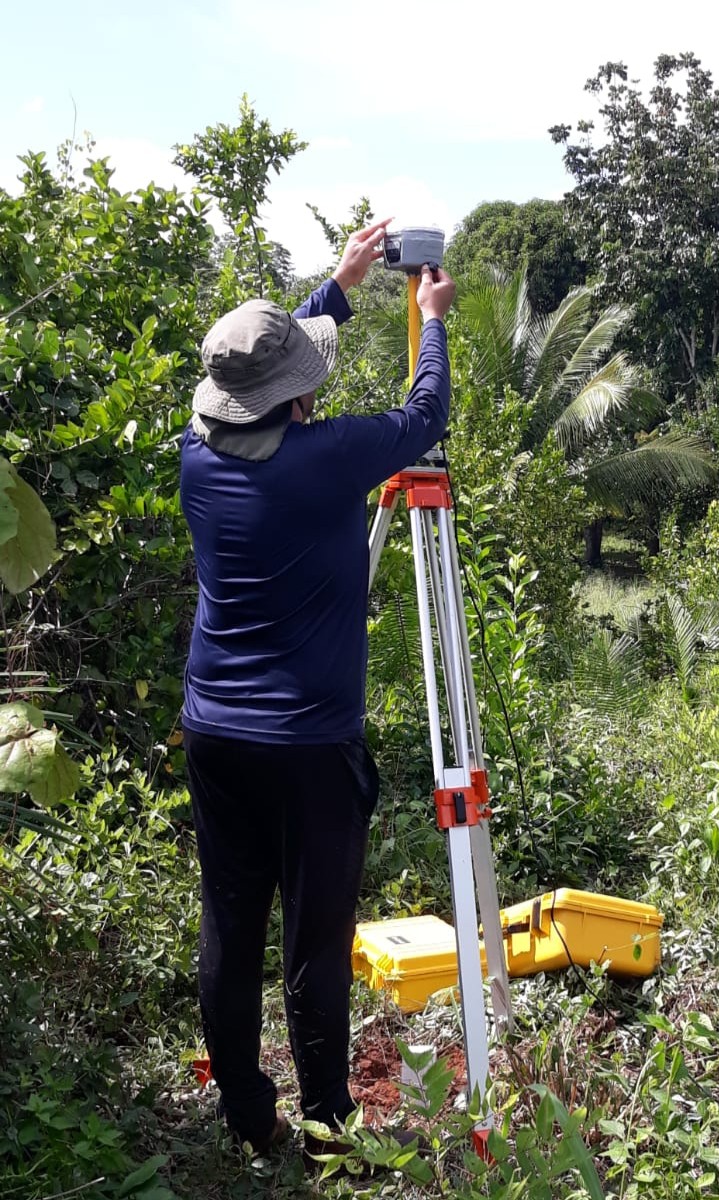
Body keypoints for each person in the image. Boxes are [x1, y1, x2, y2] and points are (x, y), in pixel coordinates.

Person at [179, 219, 456, 1155]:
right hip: (308, 743)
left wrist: (335, 287)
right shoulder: (326, 457)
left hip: (216, 729)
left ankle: (249, 1117)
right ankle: (331, 1122)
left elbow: (257, 387)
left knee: (230, 919)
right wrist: (431, 318)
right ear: (297, 401)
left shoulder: (198, 453)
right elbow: (423, 420)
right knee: (314, 933)